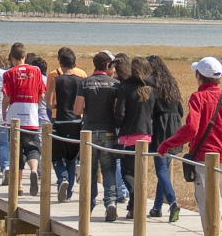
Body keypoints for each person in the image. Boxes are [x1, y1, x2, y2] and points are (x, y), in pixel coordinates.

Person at [159, 56, 222, 221]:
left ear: (199, 76)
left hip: (203, 159)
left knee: (206, 208)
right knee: (217, 204)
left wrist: (167, 144)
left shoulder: (198, 98)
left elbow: (192, 128)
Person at [74, 51, 124, 222]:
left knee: (90, 170)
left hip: (89, 132)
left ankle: (88, 204)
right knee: (108, 168)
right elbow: (118, 111)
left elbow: (77, 110)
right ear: (107, 66)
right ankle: (111, 202)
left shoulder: (85, 83)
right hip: (108, 131)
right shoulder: (115, 85)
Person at [144, 55, 184, 222]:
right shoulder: (171, 83)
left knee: (161, 169)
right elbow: (180, 110)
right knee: (164, 169)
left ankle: (173, 201)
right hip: (174, 124)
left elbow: (149, 109)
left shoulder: (150, 83)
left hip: (160, 125)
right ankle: (157, 207)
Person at [114, 56, 154, 220]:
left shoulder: (125, 87)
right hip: (146, 135)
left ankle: (134, 192)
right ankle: (133, 208)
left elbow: (120, 113)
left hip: (128, 135)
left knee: (127, 172)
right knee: (140, 173)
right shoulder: (151, 89)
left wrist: (118, 123)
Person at [3, 52, 48, 195]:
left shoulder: (9, 73)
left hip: (14, 118)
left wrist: (4, 112)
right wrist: (36, 106)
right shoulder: (36, 71)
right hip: (31, 118)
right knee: (33, 148)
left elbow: (6, 96)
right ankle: (34, 170)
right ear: (24, 57)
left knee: (16, 152)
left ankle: (19, 186)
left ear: (12, 58)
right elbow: (42, 94)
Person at [48, 47, 85, 201]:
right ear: (74, 64)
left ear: (60, 63)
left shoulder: (56, 80)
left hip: (60, 121)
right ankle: (68, 192)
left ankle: (62, 178)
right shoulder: (81, 81)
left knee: (57, 156)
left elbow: (49, 104)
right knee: (72, 158)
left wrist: (58, 105)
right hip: (76, 122)